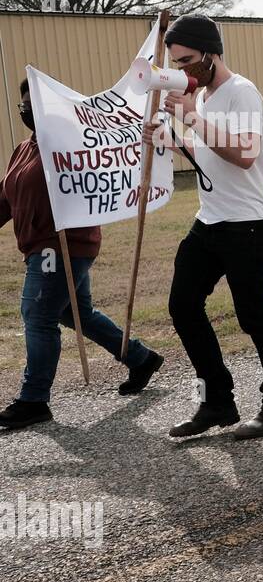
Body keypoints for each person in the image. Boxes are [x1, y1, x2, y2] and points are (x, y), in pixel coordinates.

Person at [142, 14, 263, 439]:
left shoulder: (241, 92)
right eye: (176, 63)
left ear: (211, 53)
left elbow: (245, 152)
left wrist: (191, 119)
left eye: (188, 60)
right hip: (208, 221)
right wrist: (174, 140)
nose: (183, 71)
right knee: (183, 306)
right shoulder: (204, 97)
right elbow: (209, 148)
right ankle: (217, 401)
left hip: (246, 224)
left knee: (254, 317)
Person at [0, 79, 164, 430]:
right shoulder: (24, 148)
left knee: (37, 315)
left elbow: (97, 178)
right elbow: (6, 198)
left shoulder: (72, 144)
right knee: (77, 314)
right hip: (40, 245)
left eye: (34, 104)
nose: (28, 110)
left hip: (62, 245)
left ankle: (33, 400)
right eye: (23, 105)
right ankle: (140, 358)